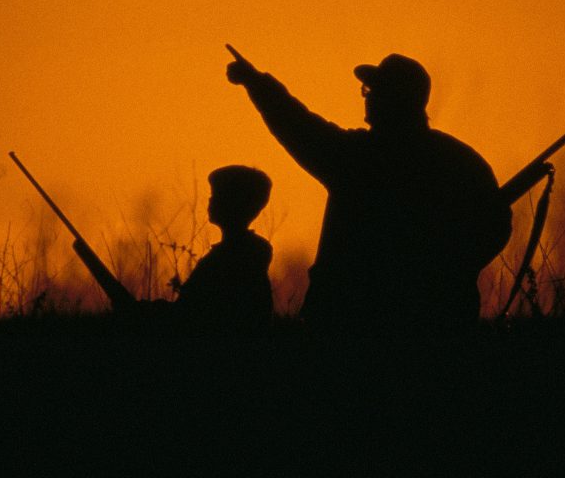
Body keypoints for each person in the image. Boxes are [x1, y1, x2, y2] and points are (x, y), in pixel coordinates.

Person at [225, 46, 512, 335]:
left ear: (394, 99)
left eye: (373, 90)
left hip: (351, 320)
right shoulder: (460, 161)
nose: (367, 97)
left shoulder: (359, 159)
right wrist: (449, 273)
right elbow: (496, 225)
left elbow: (298, 127)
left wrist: (256, 84)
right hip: (437, 324)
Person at [160, 165, 275, 334]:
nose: (210, 200)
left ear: (235, 203)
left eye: (217, 196)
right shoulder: (246, 253)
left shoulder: (233, 258)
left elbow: (192, 313)